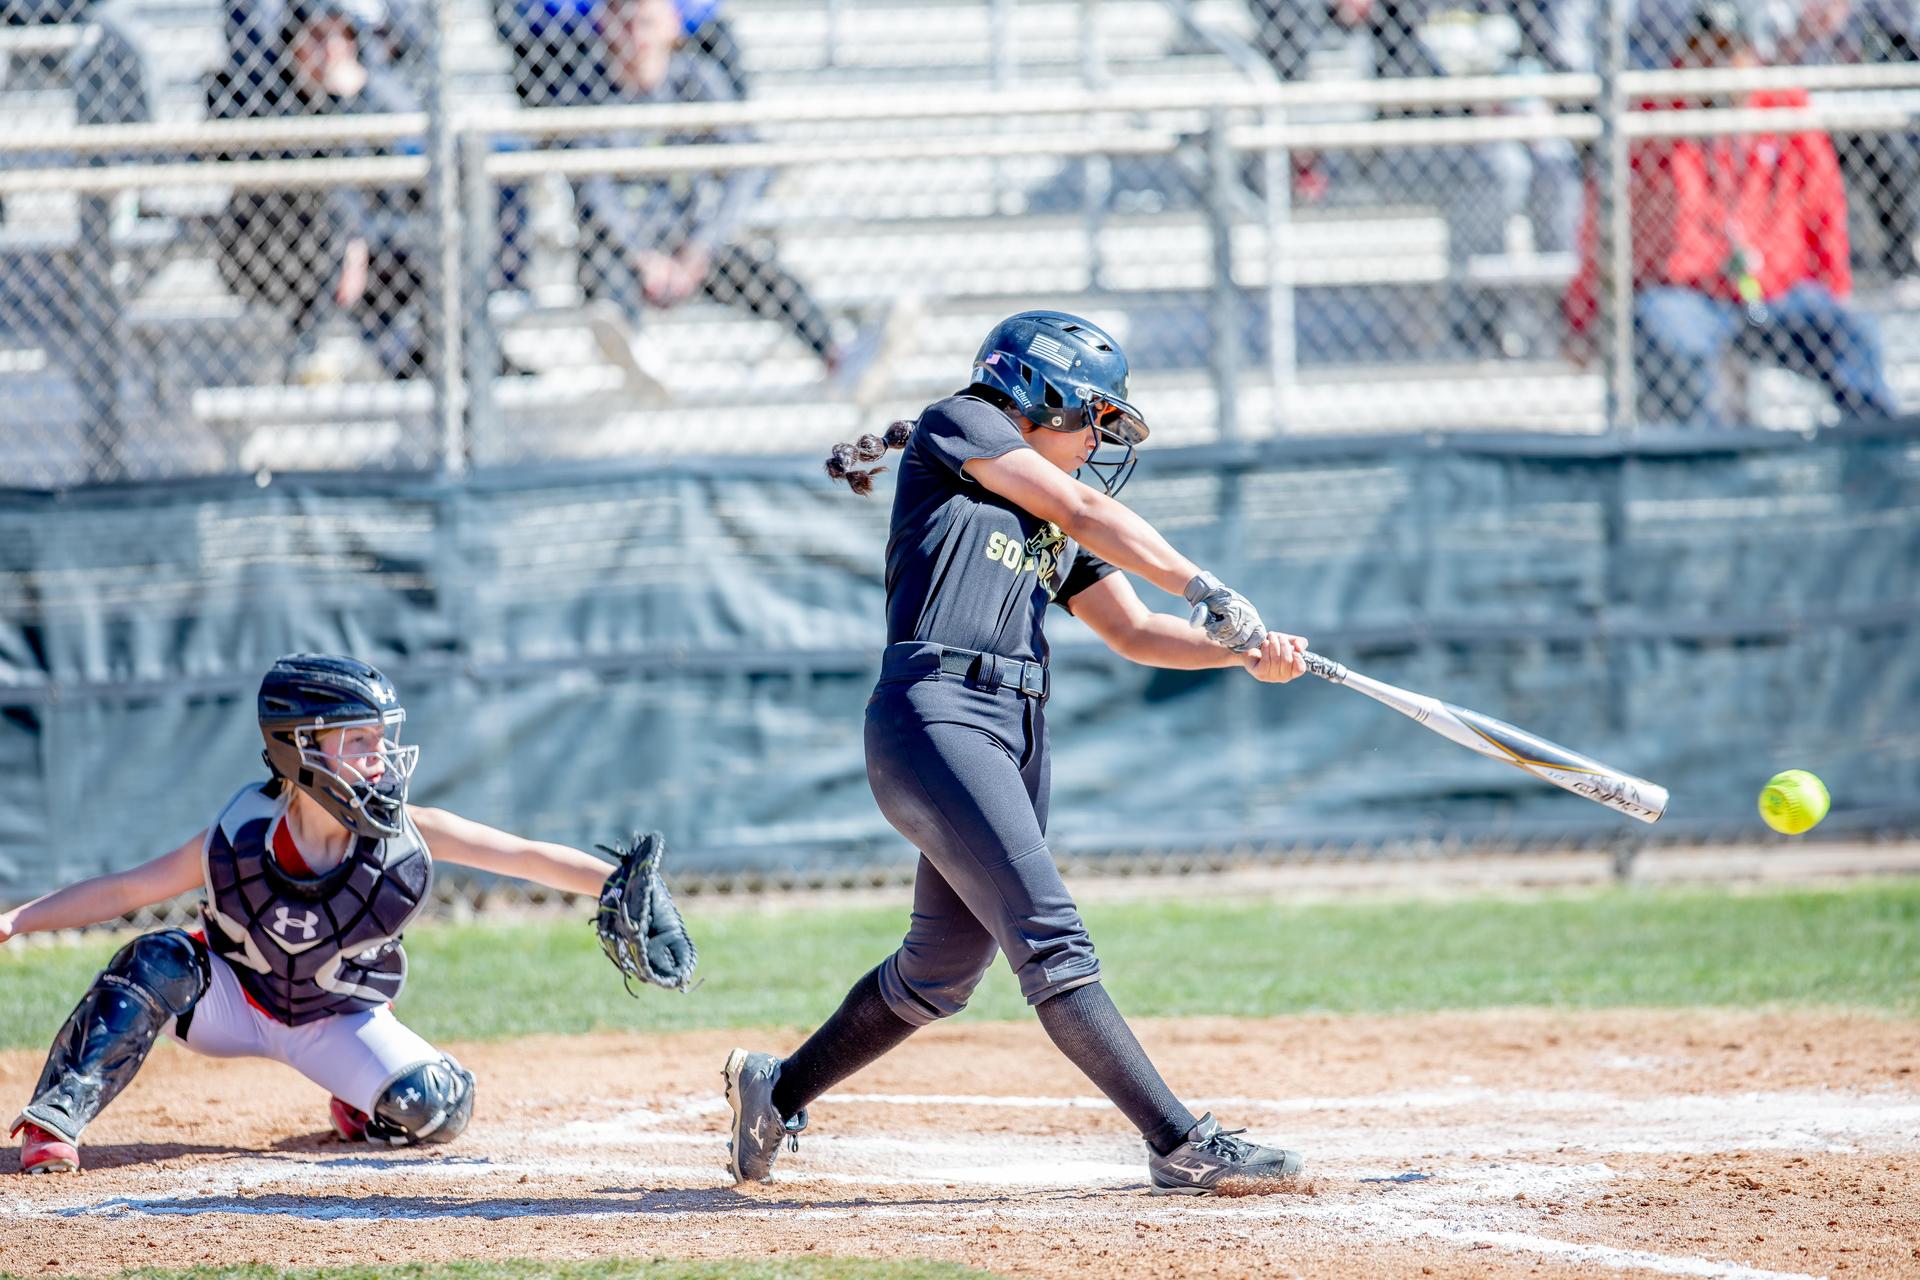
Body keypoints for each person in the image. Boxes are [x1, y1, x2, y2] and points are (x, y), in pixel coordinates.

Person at [720, 311, 1310, 1196]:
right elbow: (1084, 507)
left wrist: (1239, 648)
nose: (1097, 440)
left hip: (1011, 729)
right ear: (1034, 397)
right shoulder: (962, 421)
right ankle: (1178, 1140)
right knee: (1051, 936)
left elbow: (1137, 630)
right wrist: (1207, 586)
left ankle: (779, 1090)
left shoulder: (1040, 512)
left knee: (943, 969)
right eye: (1090, 418)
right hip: (937, 716)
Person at [3, 654, 632, 1174]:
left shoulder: (405, 836)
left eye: (380, 739)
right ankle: (54, 1120)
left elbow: (524, 856)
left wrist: (619, 885)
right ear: (299, 748)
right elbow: (126, 890)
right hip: (233, 1003)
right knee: (158, 957)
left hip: (334, 1018)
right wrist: (15, 920)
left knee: (437, 1107)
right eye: (357, 740)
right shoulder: (242, 831)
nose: (377, 758)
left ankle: (359, 1104)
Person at [1566, 0, 1897, 426]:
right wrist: (1582, 314)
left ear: (1753, 55)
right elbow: (1601, 227)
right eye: (1705, 50)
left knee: (1851, 334)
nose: (1717, 65)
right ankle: (1699, 466)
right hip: (1689, 294)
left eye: (1730, 51)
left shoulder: (1785, 110)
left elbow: (1825, 211)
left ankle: (1873, 460)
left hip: (1776, 292)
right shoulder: (1652, 117)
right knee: (1666, 331)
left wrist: (1836, 288)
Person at [569, 0, 905, 399]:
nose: (634, 36)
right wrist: (641, 256)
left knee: (760, 271)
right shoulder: (588, 91)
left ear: (671, 27)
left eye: (645, 22)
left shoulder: (695, 80)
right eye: (622, 23)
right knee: (600, 266)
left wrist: (699, 247)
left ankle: (837, 357)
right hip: (626, 251)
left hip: (687, 243)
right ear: (604, 26)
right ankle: (636, 354)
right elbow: (593, 192)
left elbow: (746, 166)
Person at [210, 0, 429, 382]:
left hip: (367, 242)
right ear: (292, 46)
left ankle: (434, 354)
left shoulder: (369, 95)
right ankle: (313, 349)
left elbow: (404, 171)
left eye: (341, 37)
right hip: (281, 247)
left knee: (422, 238)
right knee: (326, 212)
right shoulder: (267, 98)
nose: (330, 52)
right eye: (315, 38)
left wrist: (351, 99)